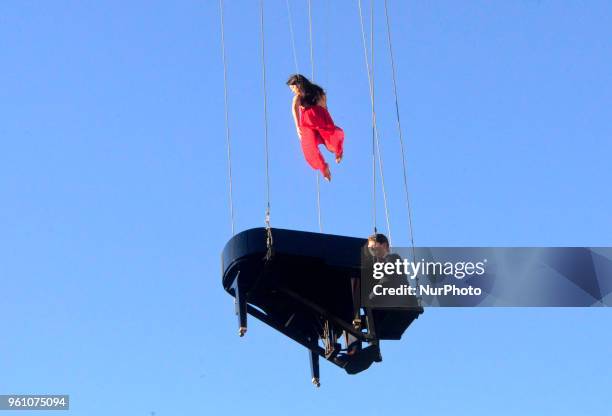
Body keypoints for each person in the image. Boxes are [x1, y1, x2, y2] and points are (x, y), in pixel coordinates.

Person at [287, 74, 344, 181]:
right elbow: (324, 106)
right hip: (320, 116)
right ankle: (332, 156)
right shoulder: (318, 91)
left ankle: (334, 154)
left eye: (293, 87)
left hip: (310, 119)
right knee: (326, 136)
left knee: (311, 144)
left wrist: (297, 125)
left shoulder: (301, 96)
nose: (293, 90)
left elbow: (294, 108)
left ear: (298, 85)